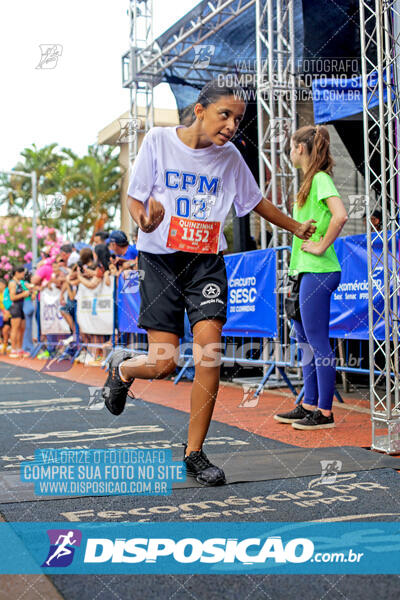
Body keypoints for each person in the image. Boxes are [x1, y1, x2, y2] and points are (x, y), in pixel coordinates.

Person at [100, 78, 316, 486]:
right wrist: (145, 219)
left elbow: (256, 202)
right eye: (225, 114)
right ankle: (124, 369)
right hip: (159, 262)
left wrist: (296, 228)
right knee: (164, 363)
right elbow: (136, 199)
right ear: (199, 110)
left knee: (209, 356)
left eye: (238, 119)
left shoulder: (230, 157)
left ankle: (194, 454)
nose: (233, 125)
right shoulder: (159, 142)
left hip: (206, 265)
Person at [274, 124, 348, 430]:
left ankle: (325, 412)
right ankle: (309, 405)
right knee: (304, 341)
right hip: (305, 272)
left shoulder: (319, 179)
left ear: (300, 149)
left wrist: (320, 246)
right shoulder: (311, 181)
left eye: (291, 147)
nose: (289, 152)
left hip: (319, 271)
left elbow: (341, 215)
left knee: (317, 342)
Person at [8, 266, 31, 358]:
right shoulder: (12, 283)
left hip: (22, 306)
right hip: (15, 306)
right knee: (15, 328)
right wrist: (23, 294)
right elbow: (12, 297)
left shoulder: (20, 283)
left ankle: (20, 348)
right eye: (22, 273)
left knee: (22, 328)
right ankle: (13, 349)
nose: (23, 275)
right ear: (17, 272)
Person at [0, 279, 11, 354]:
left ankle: (6, 345)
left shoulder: (8, 293)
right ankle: (3, 345)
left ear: (4, 285)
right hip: (1, 315)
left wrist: (7, 312)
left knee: (6, 330)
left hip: (9, 315)